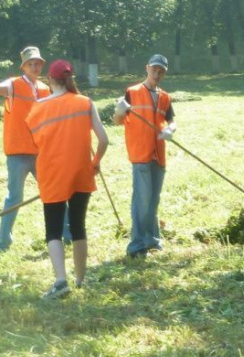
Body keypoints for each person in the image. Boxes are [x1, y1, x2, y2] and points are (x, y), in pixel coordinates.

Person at [25, 60, 108, 299]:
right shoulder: (85, 103)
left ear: (50, 81)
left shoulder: (38, 108)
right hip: (82, 171)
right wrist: (95, 163)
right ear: (70, 79)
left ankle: (61, 281)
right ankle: (81, 279)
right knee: (78, 226)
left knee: (53, 230)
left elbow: (36, 143)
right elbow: (104, 140)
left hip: (52, 174)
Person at [0, 47, 61, 252]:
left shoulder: (45, 88)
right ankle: (2, 243)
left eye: (37, 63)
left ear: (42, 65)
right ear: (23, 66)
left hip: (41, 152)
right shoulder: (14, 84)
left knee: (54, 192)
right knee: (15, 197)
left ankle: (66, 234)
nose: (34, 66)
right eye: (30, 63)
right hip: (18, 152)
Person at [112, 54, 177, 259]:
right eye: (154, 69)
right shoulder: (133, 92)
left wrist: (170, 130)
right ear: (147, 68)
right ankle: (136, 245)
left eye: (161, 71)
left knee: (153, 200)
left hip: (159, 154)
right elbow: (117, 121)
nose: (157, 74)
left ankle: (152, 240)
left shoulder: (165, 96)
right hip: (140, 153)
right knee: (142, 199)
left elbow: (172, 121)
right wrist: (120, 111)